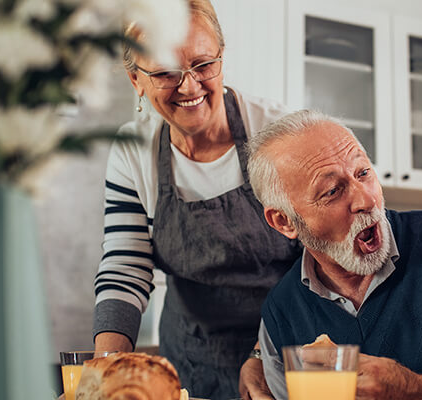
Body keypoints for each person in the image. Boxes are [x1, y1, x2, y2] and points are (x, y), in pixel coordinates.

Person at [91, 1, 302, 398]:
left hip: (283, 351)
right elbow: (125, 266)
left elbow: (317, 262)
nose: (189, 87)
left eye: (204, 65)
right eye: (166, 72)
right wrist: (104, 373)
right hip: (188, 363)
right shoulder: (134, 148)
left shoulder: (276, 133)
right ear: (136, 79)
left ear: (222, 57)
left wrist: (263, 354)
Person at [243, 110, 422, 400]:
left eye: (363, 172)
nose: (366, 199)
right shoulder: (283, 312)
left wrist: (421, 388)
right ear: (284, 221)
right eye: (331, 191)